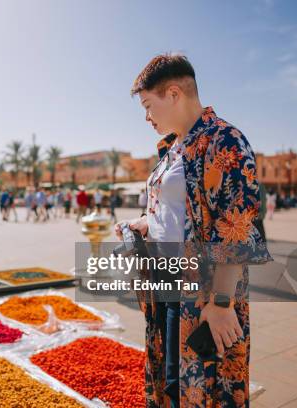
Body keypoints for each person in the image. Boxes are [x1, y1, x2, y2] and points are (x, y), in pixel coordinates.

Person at [117, 54, 271, 407]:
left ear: (173, 94)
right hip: (167, 282)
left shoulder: (223, 140)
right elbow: (177, 209)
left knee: (207, 387)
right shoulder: (172, 148)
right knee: (172, 382)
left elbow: (236, 227)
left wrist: (220, 303)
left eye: (147, 105)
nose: (146, 117)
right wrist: (145, 223)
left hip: (204, 293)